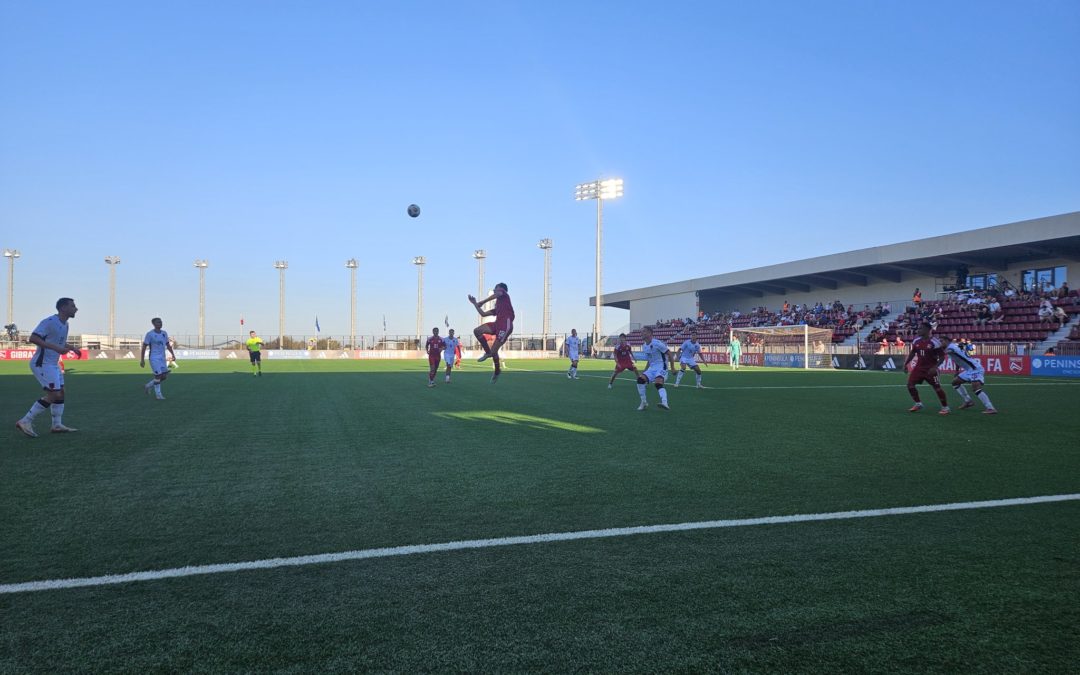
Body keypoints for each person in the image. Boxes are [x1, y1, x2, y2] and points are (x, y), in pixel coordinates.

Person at [15, 297, 81, 437]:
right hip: (42, 364)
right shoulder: (49, 322)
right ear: (63, 308)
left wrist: (73, 348)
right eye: (73, 306)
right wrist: (57, 348)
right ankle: (25, 421)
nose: (76, 309)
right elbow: (33, 338)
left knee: (61, 392)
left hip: (52, 364)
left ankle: (56, 425)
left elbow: (60, 342)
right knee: (54, 394)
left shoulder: (65, 324)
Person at [469, 282, 514, 383]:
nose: (494, 290)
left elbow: (498, 294)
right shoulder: (498, 304)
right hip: (497, 324)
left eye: (496, 288)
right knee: (477, 331)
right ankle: (488, 353)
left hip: (505, 325)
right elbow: (483, 314)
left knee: (494, 352)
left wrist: (482, 302)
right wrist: (475, 304)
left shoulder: (505, 295)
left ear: (501, 289)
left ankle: (496, 369)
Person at [902, 322, 950, 415]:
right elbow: (913, 353)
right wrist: (906, 364)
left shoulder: (935, 342)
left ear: (928, 330)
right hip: (919, 368)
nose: (918, 330)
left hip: (931, 369)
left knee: (937, 388)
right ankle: (918, 403)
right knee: (910, 385)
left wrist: (935, 367)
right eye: (918, 328)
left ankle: (945, 407)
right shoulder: (916, 341)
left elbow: (942, 357)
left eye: (921, 328)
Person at [942, 337, 997, 415]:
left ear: (947, 341)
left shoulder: (951, 347)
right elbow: (957, 359)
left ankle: (991, 408)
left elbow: (948, 352)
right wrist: (957, 371)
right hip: (969, 370)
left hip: (975, 369)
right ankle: (968, 401)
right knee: (955, 382)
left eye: (941, 341)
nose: (940, 343)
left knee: (976, 388)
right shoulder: (953, 346)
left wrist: (936, 352)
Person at [635, 326, 675, 411]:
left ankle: (665, 403)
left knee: (658, 383)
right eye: (641, 331)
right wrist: (645, 371)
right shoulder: (644, 346)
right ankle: (644, 402)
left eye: (644, 331)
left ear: (650, 333)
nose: (642, 333)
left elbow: (670, 354)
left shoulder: (657, 343)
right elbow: (649, 360)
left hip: (662, 367)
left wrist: (672, 367)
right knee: (640, 380)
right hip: (652, 368)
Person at [140, 317, 177, 400]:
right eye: (158, 322)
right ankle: (158, 395)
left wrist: (173, 354)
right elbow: (144, 347)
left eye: (161, 322)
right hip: (154, 358)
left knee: (164, 376)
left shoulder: (164, 333)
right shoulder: (150, 334)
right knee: (158, 376)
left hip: (162, 358)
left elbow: (168, 345)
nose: (160, 324)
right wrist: (142, 360)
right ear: (153, 324)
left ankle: (148, 386)